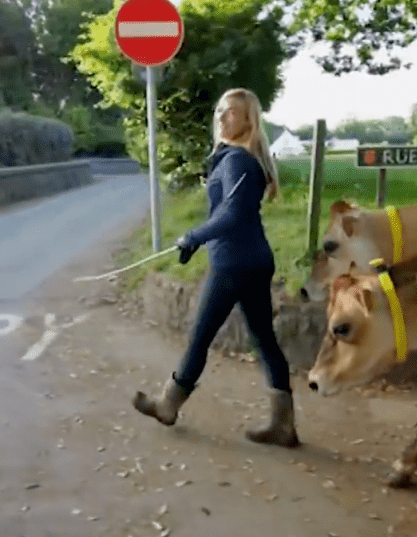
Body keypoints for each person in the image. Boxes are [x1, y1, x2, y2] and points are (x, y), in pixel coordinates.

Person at [132, 88, 300, 448]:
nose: (223, 118)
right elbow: (229, 213)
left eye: (233, 113)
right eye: (221, 111)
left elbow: (231, 214)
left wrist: (194, 236)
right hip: (252, 259)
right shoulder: (237, 158)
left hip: (234, 262)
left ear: (249, 120)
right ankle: (283, 425)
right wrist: (199, 240)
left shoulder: (238, 160)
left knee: (200, 336)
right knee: (264, 339)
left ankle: (168, 405)